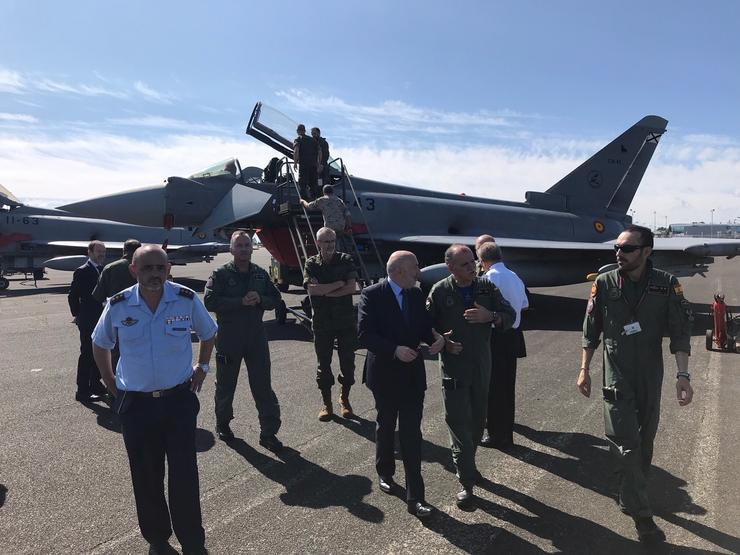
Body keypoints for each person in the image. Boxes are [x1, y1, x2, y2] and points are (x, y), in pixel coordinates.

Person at [92, 245, 216, 555]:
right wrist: (110, 383)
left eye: (160, 268)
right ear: (133, 270)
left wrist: (202, 366)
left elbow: (209, 332)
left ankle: (192, 540)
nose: (154, 274)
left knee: (184, 473)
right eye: (147, 268)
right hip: (137, 404)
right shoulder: (119, 305)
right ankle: (157, 538)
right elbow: (100, 343)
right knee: (146, 475)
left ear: (169, 269)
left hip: (178, 401)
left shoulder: (185, 298)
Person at [578, 224, 694, 544]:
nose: (619, 253)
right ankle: (644, 519)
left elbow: (680, 332)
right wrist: (584, 369)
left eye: (627, 249)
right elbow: (591, 330)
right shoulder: (603, 283)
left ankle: (628, 491)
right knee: (626, 445)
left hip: (649, 376)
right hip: (616, 375)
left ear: (646, 252)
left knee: (643, 445)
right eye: (617, 248)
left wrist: (682, 376)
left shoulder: (666, 285)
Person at [426, 244, 515, 510]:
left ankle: (469, 463)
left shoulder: (487, 288)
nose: (472, 266)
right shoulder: (440, 291)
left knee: (477, 422)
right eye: (464, 264)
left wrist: (491, 316)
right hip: (454, 368)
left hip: (482, 366)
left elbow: (510, 315)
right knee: (458, 422)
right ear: (451, 267)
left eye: (473, 262)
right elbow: (424, 325)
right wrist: (443, 341)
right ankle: (466, 482)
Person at [358, 251, 445, 518]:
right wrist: (393, 349)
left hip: (412, 376)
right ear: (398, 271)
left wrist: (436, 338)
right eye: (415, 267)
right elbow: (364, 334)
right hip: (384, 374)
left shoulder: (416, 294)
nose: (418, 272)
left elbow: (423, 327)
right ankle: (385, 471)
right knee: (386, 425)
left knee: (411, 433)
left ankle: (415, 497)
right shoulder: (372, 294)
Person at [203, 231, 283, 451]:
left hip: (256, 336)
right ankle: (223, 424)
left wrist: (260, 299)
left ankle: (268, 432)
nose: (244, 249)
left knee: (263, 386)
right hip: (229, 337)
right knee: (226, 384)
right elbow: (209, 301)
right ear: (231, 249)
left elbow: (276, 299)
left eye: (247, 245)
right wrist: (240, 302)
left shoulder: (259, 274)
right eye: (239, 246)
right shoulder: (220, 274)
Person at [478, 242, 528, 449]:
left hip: (496, 336)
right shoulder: (515, 276)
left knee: (493, 388)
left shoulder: (488, 279)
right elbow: (524, 303)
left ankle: (496, 435)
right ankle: (505, 433)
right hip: (513, 335)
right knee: (507, 387)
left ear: (483, 261)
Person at [304, 227, 358, 421]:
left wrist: (325, 290)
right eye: (325, 242)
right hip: (322, 323)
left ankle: (345, 399)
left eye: (332, 241)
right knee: (323, 365)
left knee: (348, 364)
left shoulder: (346, 260)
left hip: (345, 322)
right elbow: (312, 290)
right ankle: (326, 403)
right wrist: (337, 284)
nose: (329, 245)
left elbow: (352, 287)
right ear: (318, 243)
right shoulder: (311, 263)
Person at [68, 240, 107, 403]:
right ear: (89, 252)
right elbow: (72, 295)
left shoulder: (103, 270)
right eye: (98, 251)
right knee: (87, 355)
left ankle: (95, 385)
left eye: (103, 252)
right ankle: (82, 390)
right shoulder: (82, 271)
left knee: (100, 353)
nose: (102, 255)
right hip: (88, 319)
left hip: (101, 318)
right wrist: (78, 314)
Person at [293, 124, 320, 200]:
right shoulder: (313, 140)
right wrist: (318, 163)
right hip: (313, 165)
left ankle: (304, 201)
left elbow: (296, 151)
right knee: (313, 183)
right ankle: (314, 200)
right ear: (304, 131)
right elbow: (320, 152)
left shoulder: (298, 139)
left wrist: (295, 163)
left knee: (303, 183)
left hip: (304, 165)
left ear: (298, 131)